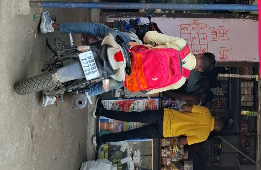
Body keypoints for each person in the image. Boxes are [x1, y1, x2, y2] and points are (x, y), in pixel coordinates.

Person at [39, 12, 216, 97]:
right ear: (200, 70)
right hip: (129, 77)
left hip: (131, 52)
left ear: (200, 53)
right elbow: (150, 90)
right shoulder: (181, 80)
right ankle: (71, 95)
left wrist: (148, 45)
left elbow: (149, 36)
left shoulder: (182, 46)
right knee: (107, 85)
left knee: (99, 29)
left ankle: (52, 27)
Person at [95, 102, 226, 148]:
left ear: (217, 117)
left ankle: (102, 112)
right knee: (132, 134)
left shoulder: (206, 112)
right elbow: (182, 141)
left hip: (164, 116)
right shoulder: (204, 135)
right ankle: (102, 140)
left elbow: (185, 107)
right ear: (217, 129)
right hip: (164, 131)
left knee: (132, 117)